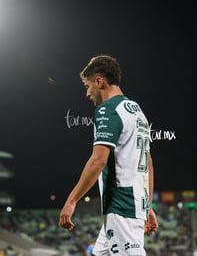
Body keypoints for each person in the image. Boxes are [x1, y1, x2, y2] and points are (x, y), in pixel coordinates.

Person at [59, 55, 158, 255]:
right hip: (132, 202)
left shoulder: (108, 110)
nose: (87, 93)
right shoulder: (137, 111)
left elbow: (98, 160)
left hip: (121, 205)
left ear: (99, 81)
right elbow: (147, 162)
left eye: (87, 86)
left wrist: (71, 200)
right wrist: (147, 206)